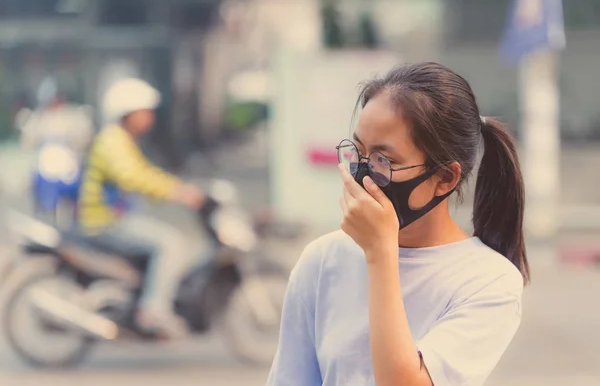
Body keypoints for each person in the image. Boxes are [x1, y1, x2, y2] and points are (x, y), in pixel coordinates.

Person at [267, 62, 529, 386]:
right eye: (358, 151)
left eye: (384, 160)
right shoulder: (322, 260)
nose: (363, 172)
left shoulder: (488, 281)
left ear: (445, 178)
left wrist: (380, 252)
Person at [78, 78, 205, 338]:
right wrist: (177, 191)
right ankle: (153, 309)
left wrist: (176, 187)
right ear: (128, 113)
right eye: (144, 112)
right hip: (105, 222)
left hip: (115, 217)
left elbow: (143, 172)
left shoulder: (123, 139)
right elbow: (132, 176)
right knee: (171, 243)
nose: (150, 117)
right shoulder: (113, 141)